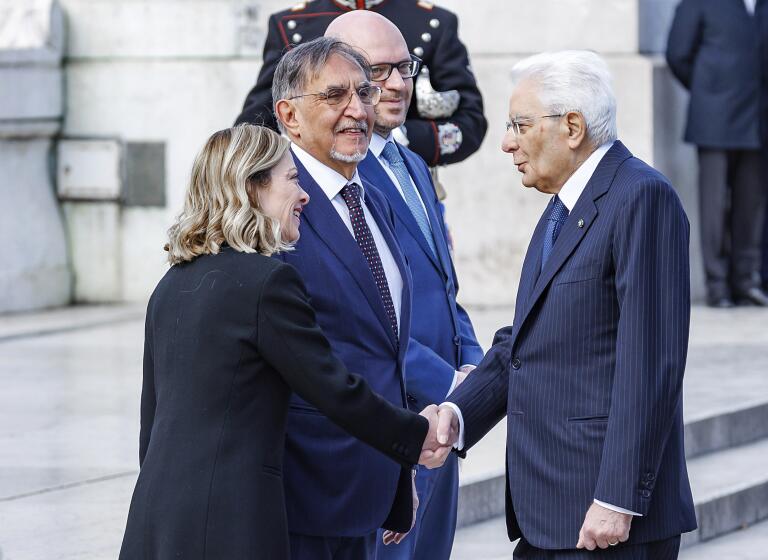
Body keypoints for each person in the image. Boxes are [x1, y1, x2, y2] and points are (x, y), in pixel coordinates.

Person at [118, 124, 448, 560]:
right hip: (231, 520)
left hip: (158, 514)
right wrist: (416, 433)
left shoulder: (170, 284)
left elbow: (152, 420)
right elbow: (334, 391)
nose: (305, 195)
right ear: (253, 186)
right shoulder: (266, 282)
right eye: (292, 179)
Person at [434, 51, 697, 558]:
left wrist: (618, 497)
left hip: (606, 519)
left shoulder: (642, 197)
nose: (507, 141)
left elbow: (651, 360)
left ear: (572, 126)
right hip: (548, 512)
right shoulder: (561, 207)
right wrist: (458, 414)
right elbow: (527, 338)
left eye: (519, 124)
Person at [270, 37, 442, 559]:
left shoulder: (372, 200)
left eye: (364, 94)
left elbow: (381, 344)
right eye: (335, 95)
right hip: (305, 494)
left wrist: (397, 469)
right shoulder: (274, 207)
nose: (358, 109)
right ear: (290, 116)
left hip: (375, 485)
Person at [323, 11, 483, 560]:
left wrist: (473, 371)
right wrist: (446, 384)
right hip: (387, 423)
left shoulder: (412, 163)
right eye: (377, 70)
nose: (396, 84)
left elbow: (444, 287)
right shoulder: (332, 178)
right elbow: (355, 319)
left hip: (442, 424)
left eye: (404, 67)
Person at [235, 0, 487, 169]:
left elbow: (470, 123)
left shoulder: (431, 22)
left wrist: (396, 140)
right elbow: (256, 124)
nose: (397, 83)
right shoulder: (294, 25)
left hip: (407, 179)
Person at [666, 0, 768, 308]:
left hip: (757, 118)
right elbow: (678, 55)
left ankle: (746, 281)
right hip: (715, 119)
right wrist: (708, 89)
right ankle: (717, 286)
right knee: (714, 207)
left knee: (751, 206)